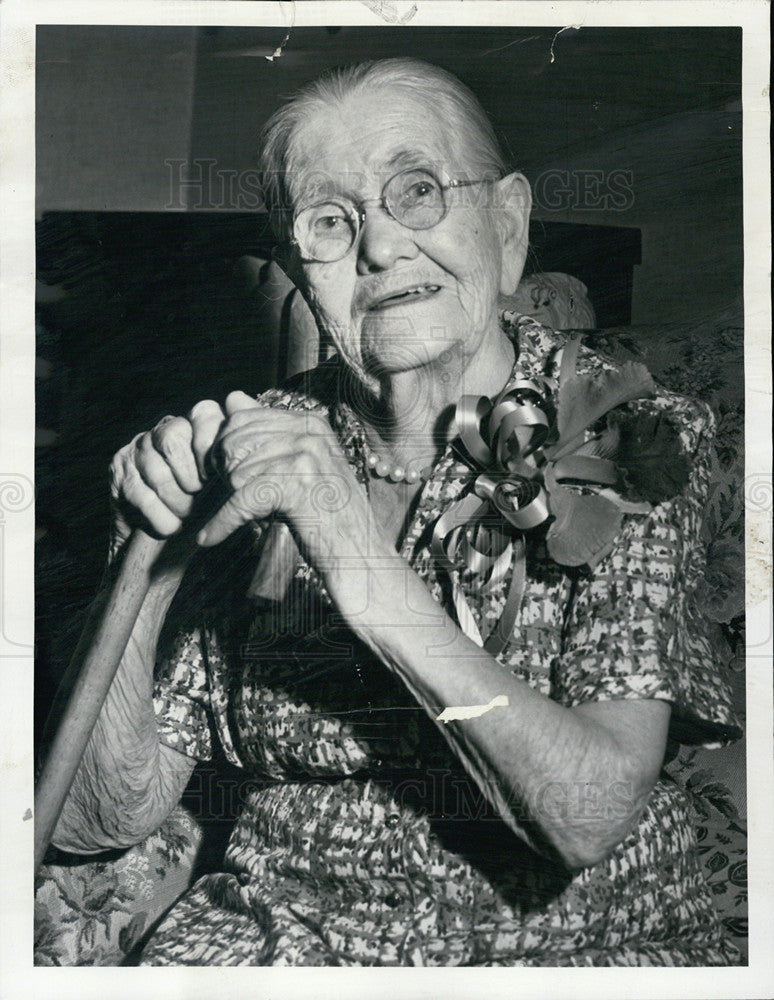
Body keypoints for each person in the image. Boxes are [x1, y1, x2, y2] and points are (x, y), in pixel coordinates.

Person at [43, 58, 741, 966]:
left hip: (564, 955)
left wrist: (351, 552)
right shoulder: (264, 444)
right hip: (279, 947)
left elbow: (589, 812)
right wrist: (142, 546)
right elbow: (102, 818)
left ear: (508, 223)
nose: (379, 248)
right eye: (331, 221)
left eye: (417, 191)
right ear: (303, 271)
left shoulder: (624, 429)